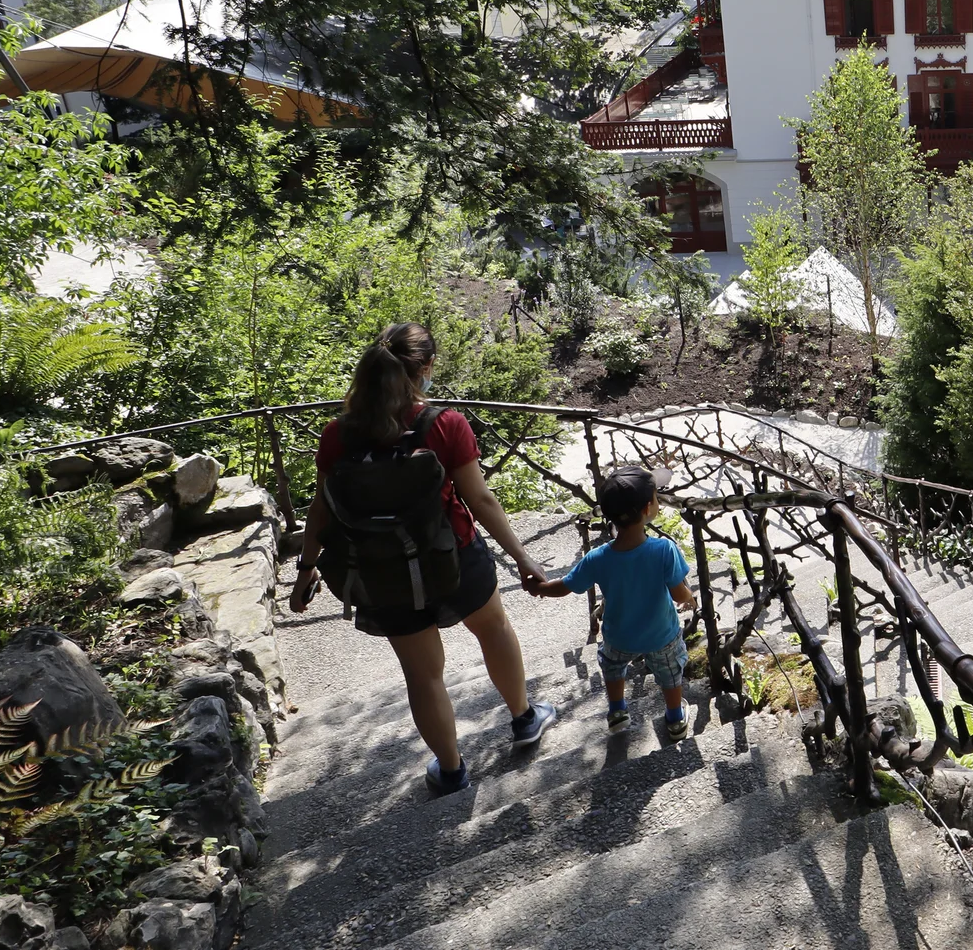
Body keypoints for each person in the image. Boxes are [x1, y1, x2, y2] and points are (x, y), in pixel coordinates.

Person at [290, 323, 558, 795]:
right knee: (494, 630)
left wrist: (307, 567)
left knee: (421, 672)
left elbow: (320, 508)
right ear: (426, 370)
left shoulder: (337, 436)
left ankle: (452, 770)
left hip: (382, 573)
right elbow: (481, 500)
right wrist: (524, 557)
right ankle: (524, 719)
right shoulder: (444, 424)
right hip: (452, 557)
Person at [527, 467, 694, 740]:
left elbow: (566, 586)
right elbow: (679, 594)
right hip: (662, 635)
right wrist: (691, 598)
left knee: (613, 667)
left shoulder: (598, 558)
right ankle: (675, 719)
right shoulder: (664, 549)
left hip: (619, 637)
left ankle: (617, 712)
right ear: (648, 508)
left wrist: (539, 587)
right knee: (671, 671)